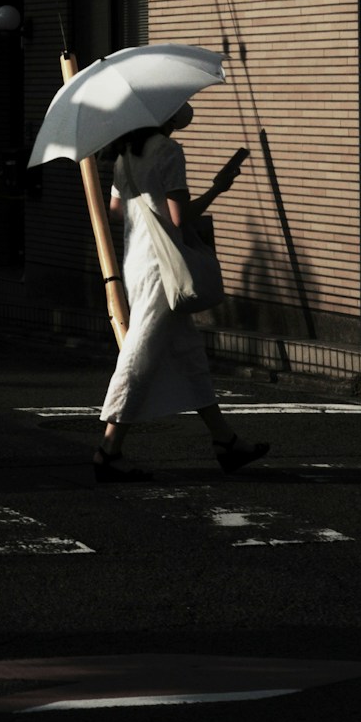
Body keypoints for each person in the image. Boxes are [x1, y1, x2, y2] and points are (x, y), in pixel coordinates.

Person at [94, 107, 268, 482]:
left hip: (137, 263)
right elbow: (179, 217)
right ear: (166, 118)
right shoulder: (168, 151)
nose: (179, 123)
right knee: (138, 355)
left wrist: (147, 211)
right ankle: (108, 450)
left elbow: (115, 211)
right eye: (177, 117)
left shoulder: (125, 154)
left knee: (187, 353)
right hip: (163, 270)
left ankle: (225, 441)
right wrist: (218, 189)